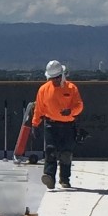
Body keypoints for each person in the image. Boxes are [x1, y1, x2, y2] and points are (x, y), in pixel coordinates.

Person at [28, 60, 83, 190]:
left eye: (58, 78)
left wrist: (71, 111)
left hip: (68, 126)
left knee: (66, 153)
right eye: (53, 78)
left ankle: (65, 179)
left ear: (62, 75)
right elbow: (39, 108)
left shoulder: (71, 88)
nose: (55, 80)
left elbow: (79, 105)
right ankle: (49, 177)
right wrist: (35, 124)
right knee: (50, 151)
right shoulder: (44, 90)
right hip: (51, 125)